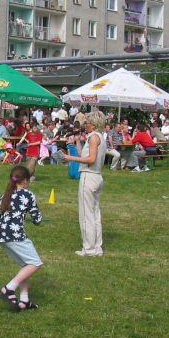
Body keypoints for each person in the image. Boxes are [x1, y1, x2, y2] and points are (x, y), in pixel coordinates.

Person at [0, 165, 43, 311]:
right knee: (35, 263)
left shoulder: (4, 195)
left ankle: (24, 301)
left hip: (1, 235)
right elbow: (37, 219)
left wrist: (2, 230)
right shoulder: (28, 195)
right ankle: (8, 289)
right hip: (16, 235)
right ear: (25, 181)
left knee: (26, 264)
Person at [63, 110, 107, 257]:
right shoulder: (99, 137)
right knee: (95, 213)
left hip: (89, 176)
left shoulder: (93, 137)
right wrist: (77, 141)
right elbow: (84, 154)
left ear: (93, 124)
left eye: (87, 123)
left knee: (86, 214)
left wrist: (69, 158)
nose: (85, 125)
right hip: (97, 176)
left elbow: (91, 159)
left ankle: (89, 248)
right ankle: (97, 246)